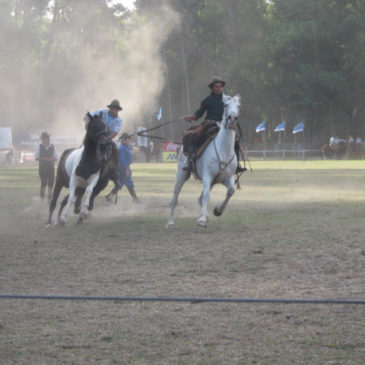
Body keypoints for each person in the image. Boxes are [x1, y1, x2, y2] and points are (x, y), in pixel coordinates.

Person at [183, 76, 246, 173]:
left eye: (220, 86)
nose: (219, 88)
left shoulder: (228, 99)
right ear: (212, 88)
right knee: (195, 137)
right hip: (209, 124)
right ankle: (191, 162)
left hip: (224, 125)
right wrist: (192, 116)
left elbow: (235, 109)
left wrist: (238, 112)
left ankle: (236, 165)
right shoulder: (206, 101)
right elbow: (199, 113)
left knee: (236, 139)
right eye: (216, 86)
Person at [105, 133, 140, 203]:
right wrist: (126, 169)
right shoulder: (121, 148)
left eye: (129, 139)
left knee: (120, 184)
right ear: (124, 140)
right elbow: (122, 160)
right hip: (123, 168)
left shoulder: (125, 147)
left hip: (125, 167)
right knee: (128, 183)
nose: (129, 140)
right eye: (127, 139)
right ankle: (135, 198)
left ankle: (110, 195)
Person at [35, 132, 57, 200]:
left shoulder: (53, 146)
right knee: (44, 182)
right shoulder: (39, 146)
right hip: (43, 167)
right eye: (43, 139)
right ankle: (42, 196)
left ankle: (50, 197)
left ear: (48, 139)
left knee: (51, 182)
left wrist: (51, 159)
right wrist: (43, 158)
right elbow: (36, 157)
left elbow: (56, 157)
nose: (44, 140)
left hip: (51, 167)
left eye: (45, 138)